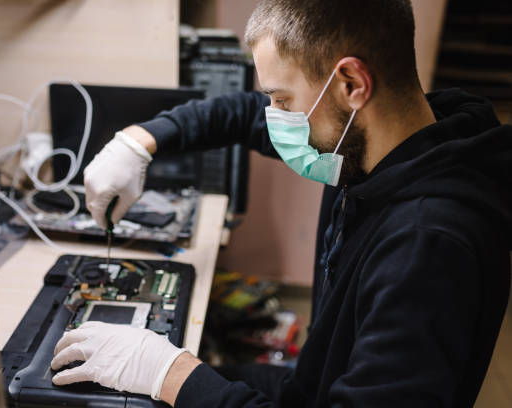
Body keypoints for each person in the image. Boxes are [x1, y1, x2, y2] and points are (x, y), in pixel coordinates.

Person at [49, 0, 512, 406]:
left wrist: (169, 375)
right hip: (315, 382)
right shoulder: (382, 139)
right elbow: (243, 114)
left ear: (352, 83)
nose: (275, 119)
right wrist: (141, 140)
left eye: (283, 100)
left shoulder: (427, 248)